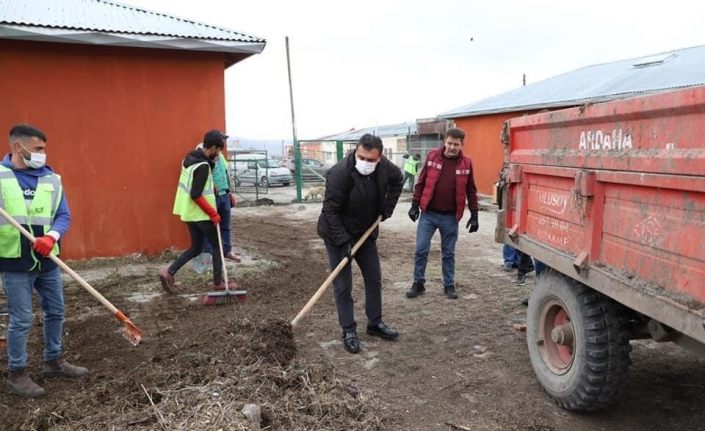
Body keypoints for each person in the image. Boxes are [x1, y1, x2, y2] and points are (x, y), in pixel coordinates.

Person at [1, 124, 88, 398]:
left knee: (56, 311)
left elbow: (63, 215)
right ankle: (17, 373)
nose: (43, 154)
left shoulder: (52, 179)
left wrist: (51, 236)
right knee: (22, 318)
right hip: (15, 260)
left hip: (48, 259)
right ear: (18, 147)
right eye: (38, 148)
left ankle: (53, 360)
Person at [317, 133, 404, 354]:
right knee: (343, 284)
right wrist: (343, 240)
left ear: (380, 157)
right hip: (337, 234)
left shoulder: (385, 167)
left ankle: (375, 323)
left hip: (365, 232)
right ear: (356, 151)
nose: (365, 163)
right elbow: (330, 211)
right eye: (362, 157)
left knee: (373, 278)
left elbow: (397, 181)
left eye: (371, 160)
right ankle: (348, 330)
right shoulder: (340, 173)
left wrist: (388, 208)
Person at [159, 129, 238, 293]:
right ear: (213, 148)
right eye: (218, 150)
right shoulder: (202, 166)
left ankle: (169, 272)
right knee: (218, 246)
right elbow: (196, 194)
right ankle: (218, 282)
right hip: (200, 214)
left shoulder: (190, 159)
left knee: (196, 248)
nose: (218, 155)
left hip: (189, 213)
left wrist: (212, 187)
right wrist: (213, 213)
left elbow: (195, 186)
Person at [406, 127, 479, 300]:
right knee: (421, 249)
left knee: (448, 252)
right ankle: (418, 283)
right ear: (444, 142)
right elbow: (421, 182)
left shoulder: (467, 163)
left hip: (450, 217)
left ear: (462, 144)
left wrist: (474, 215)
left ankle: (449, 285)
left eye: (456, 144)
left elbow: (471, 190)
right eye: (449, 143)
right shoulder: (432, 157)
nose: (452, 147)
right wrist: (415, 205)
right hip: (428, 214)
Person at [200, 142, 240, 263]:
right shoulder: (205, 155)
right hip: (213, 197)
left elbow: (225, 174)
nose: (223, 143)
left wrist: (229, 192)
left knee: (226, 226)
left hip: (224, 195)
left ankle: (227, 251)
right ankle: (208, 254)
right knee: (210, 227)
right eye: (221, 140)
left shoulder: (221, 156)